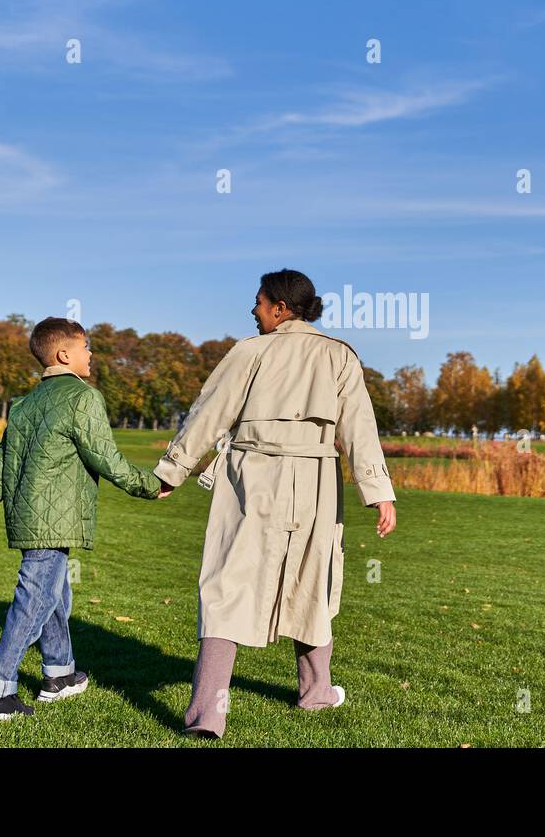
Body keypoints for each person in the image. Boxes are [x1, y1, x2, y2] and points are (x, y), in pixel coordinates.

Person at [154, 269, 397, 738]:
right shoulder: (339, 356)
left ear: (281, 308)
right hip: (315, 482)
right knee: (314, 578)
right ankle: (315, 693)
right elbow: (360, 431)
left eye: (260, 303)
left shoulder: (249, 352)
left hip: (252, 478)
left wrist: (173, 470)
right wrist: (379, 493)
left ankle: (209, 717)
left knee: (227, 583)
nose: (254, 311)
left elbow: (209, 413)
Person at [0, 317, 163, 723]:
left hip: (29, 515)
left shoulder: (25, 404)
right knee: (34, 598)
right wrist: (151, 485)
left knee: (54, 593)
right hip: (54, 519)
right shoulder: (83, 398)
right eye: (86, 346)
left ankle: (59, 674)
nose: (91, 354)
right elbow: (107, 460)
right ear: (64, 354)